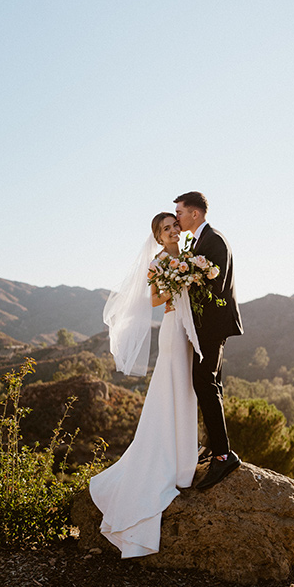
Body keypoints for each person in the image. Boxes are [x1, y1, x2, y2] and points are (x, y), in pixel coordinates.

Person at [89, 213, 201, 558]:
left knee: (188, 390)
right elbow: (153, 300)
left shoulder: (191, 256)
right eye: (165, 228)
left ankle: (185, 457)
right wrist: (177, 282)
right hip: (171, 326)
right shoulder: (159, 262)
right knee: (172, 386)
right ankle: (167, 457)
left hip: (190, 325)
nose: (172, 230)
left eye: (174, 225)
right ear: (158, 235)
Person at [174, 191, 243, 490]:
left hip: (212, 326)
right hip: (205, 327)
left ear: (195, 214)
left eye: (180, 211)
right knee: (209, 385)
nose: (176, 216)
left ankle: (223, 456)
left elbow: (216, 284)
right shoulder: (200, 241)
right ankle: (215, 447)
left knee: (205, 383)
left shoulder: (214, 240)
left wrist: (184, 280)